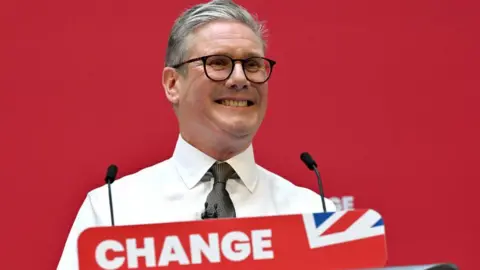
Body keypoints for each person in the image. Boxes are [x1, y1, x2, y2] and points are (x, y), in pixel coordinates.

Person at [56, 0, 336, 269]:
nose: (240, 78)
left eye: (252, 65)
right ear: (173, 84)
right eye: (218, 62)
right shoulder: (111, 211)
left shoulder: (313, 214)